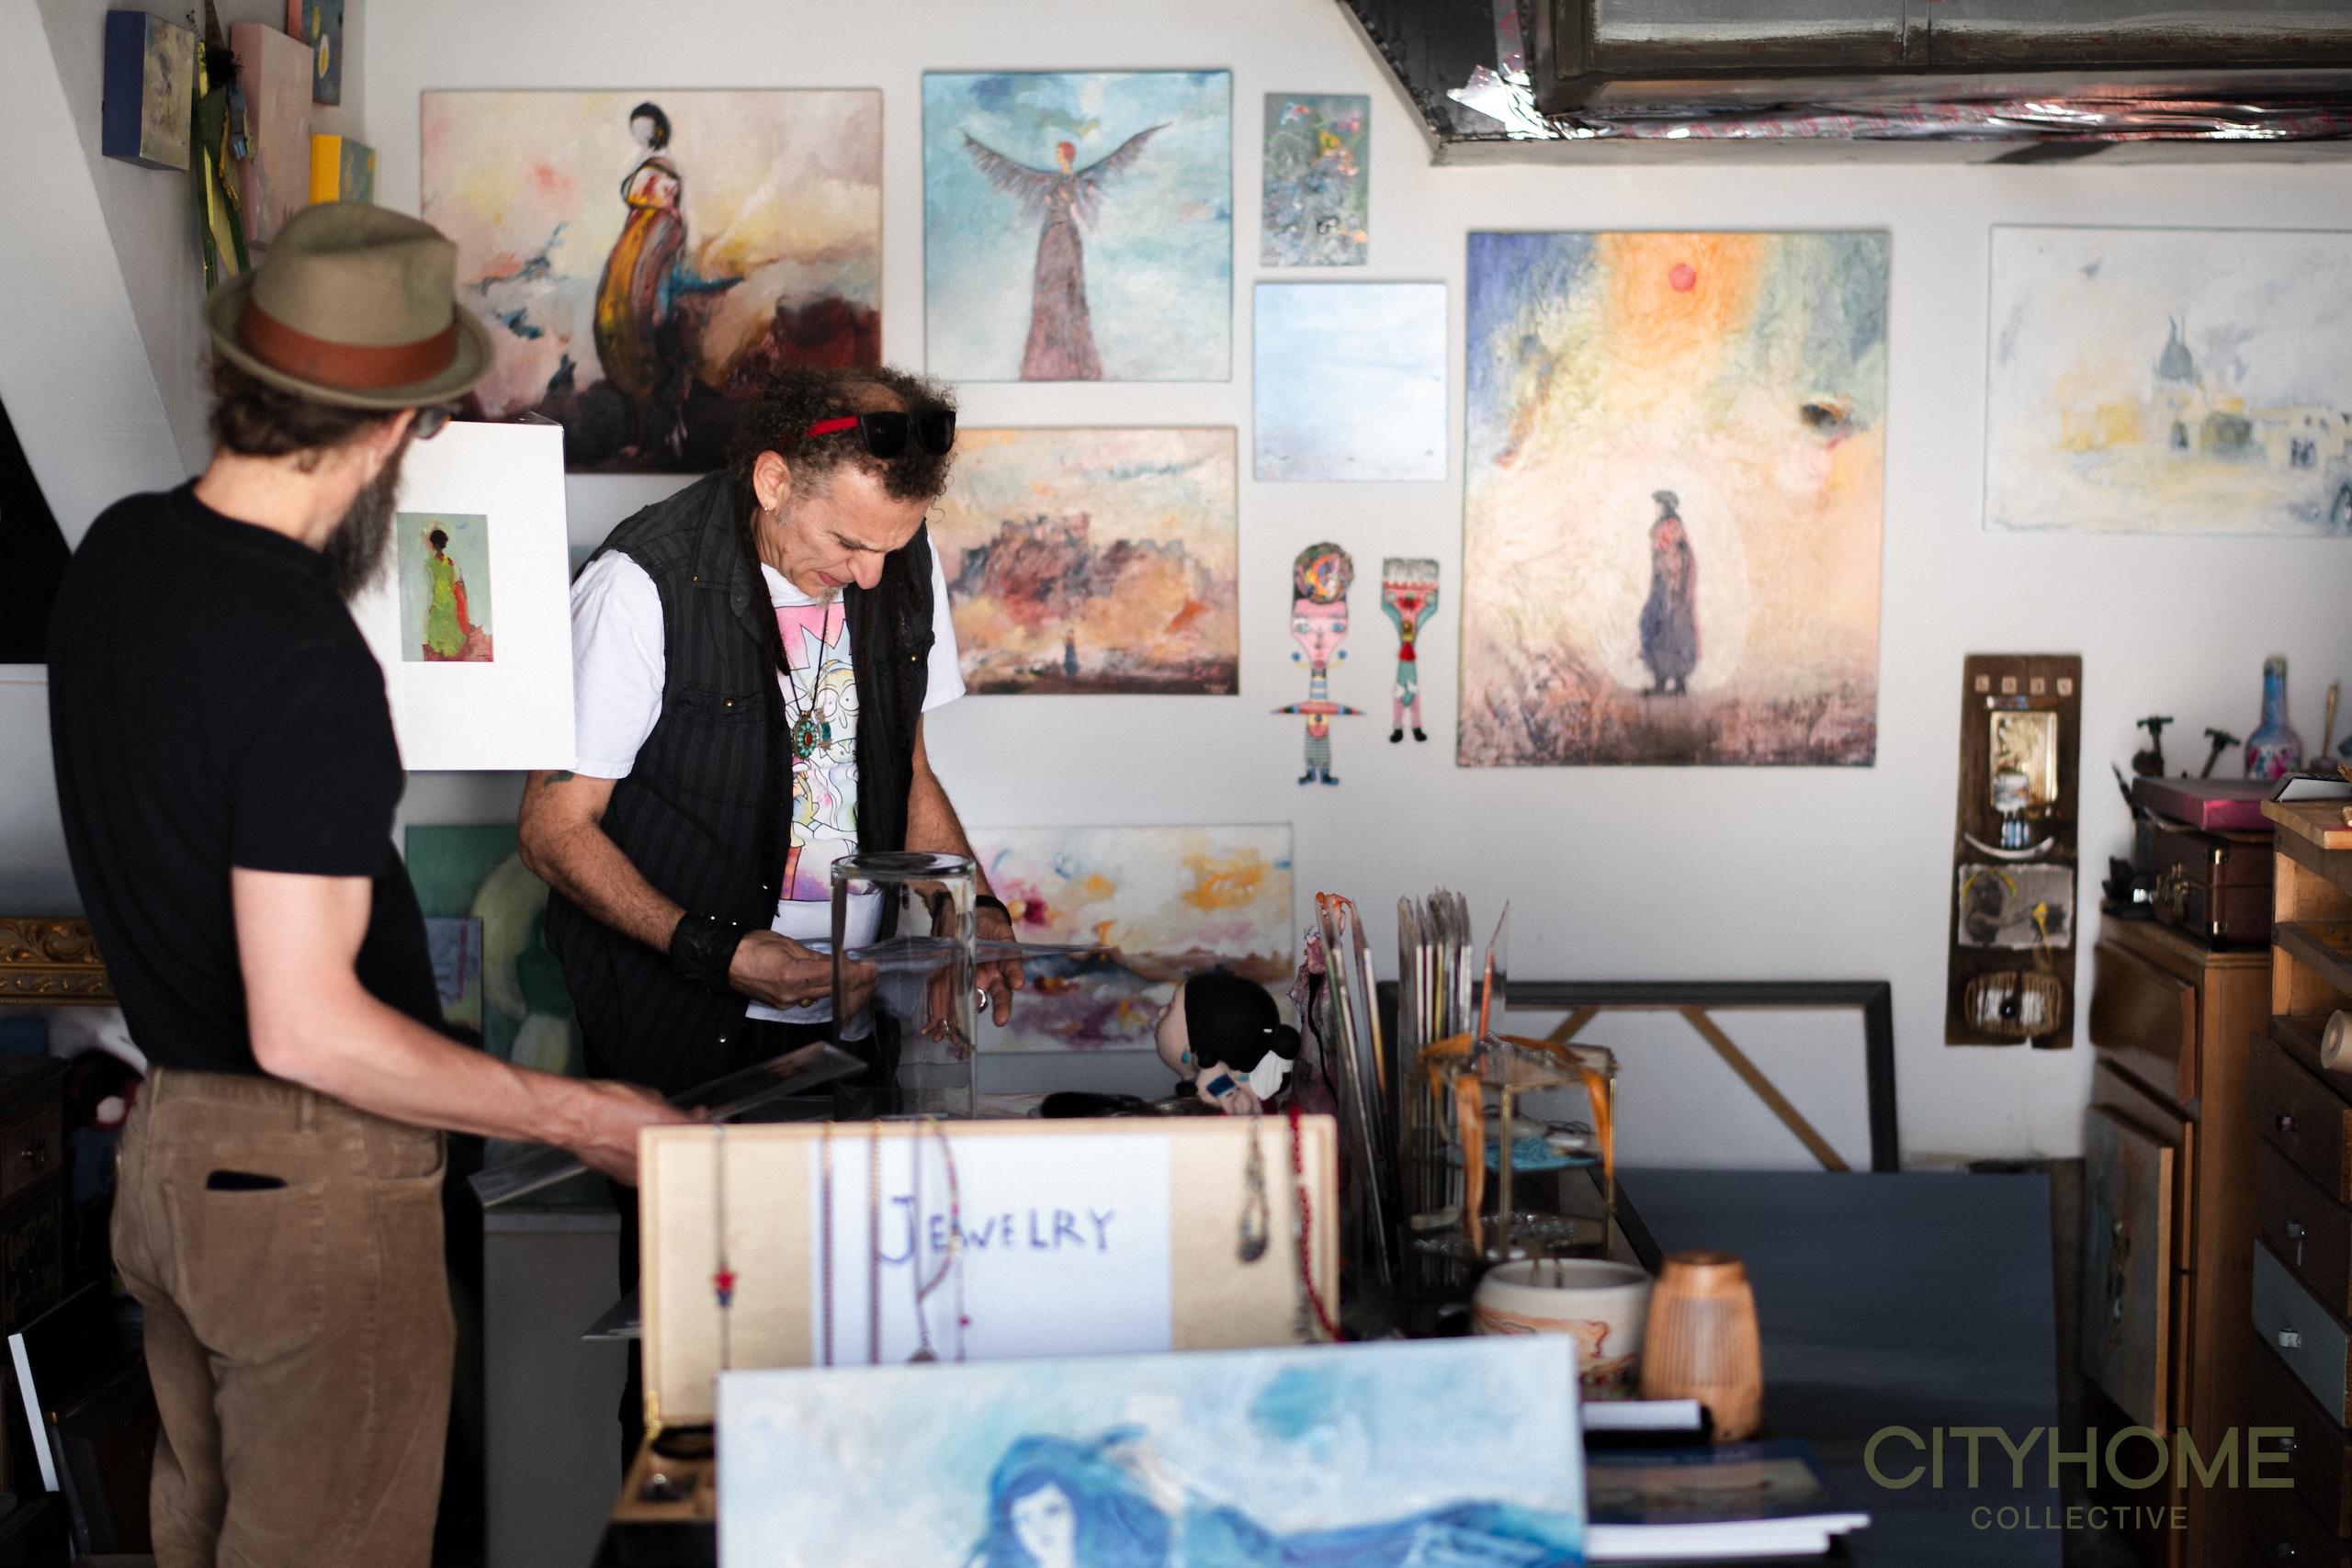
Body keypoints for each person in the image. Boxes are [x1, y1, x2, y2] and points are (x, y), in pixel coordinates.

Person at [45, 203, 681, 1568]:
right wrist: (583, 1116)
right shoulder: (300, 656)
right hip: (304, 1176)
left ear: (239, 375)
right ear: (401, 426)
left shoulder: (118, 554)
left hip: (171, 1159)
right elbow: (306, 1026)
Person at [517, 360, 1022, 1450]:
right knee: (698, 1379)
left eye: (892, 548)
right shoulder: (642, 584)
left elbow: (906, 771)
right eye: (848, 544)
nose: (870, 575)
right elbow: (553, 831)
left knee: (851, 1358)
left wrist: (971, 911)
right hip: (688, 1037)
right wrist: (719, 951)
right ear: (773, 479)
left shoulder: (894, 559)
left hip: (853, 1031)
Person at [1637, 490, 1699, 696]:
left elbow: (1676, 563)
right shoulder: (1665, 529)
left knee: (1671, 632)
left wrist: (1672, 592)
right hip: (1663, 592)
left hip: (1671, 594)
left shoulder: (1670, 528)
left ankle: (1677, 683)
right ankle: (1662, 681)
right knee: (1655, 628)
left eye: (1660, 505)